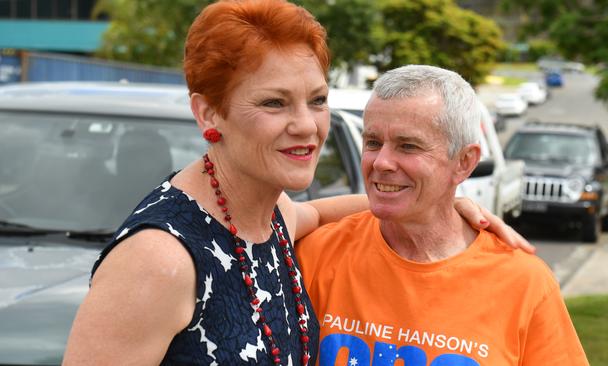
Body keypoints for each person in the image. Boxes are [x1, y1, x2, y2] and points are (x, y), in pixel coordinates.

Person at [62, 1, 530, 365]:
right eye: (274, 103)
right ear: (209, 112)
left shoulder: (269, 217)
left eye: (317, 99)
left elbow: (324, 211)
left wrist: (446, 205)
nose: (306, 126)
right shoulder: (160, 258)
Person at [296, 65, 588, 366]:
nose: (381, 162)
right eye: (372, 143)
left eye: (407, 146)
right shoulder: (316, 254)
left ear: (464, 162)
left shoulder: (523, 283)